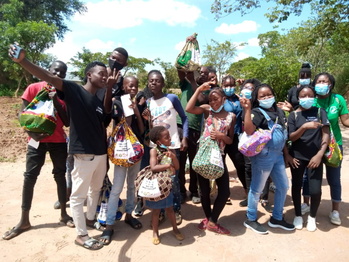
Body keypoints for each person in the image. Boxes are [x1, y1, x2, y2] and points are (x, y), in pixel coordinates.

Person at [8, 44, 120, 250]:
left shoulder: (96, 99)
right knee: (78, 196)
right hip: (84, 154)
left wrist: (110, 89)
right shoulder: (74, 90)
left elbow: (104, 117)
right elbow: (49, 78)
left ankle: (88, 219)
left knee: (95, 189)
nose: (105, 77)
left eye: (107, 74)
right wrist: (23, 60)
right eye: (101, 74)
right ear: (89, 75)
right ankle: (81, 235)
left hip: (100, 153)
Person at [2, 60, 74, 241]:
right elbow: (22, 113)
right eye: (55, 71)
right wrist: (30, 133)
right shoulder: (33, 88)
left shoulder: (64, 94)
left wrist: (56, 100)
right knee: (30, 177)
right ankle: (24, 220)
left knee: (60, 175)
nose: (57, 75)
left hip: (58, 141)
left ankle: (64, 214)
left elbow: (66, 122)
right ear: (47, 70)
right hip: (36, 141)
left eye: (62, 73)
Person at [239, 83, 295, 234]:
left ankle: (277, 218)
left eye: (269, 94)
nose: (266, 98)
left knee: (283, 186)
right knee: (257, 189)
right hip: (264, 155)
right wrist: (247, 109)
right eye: (262, 96)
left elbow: (282, 134)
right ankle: (251, 219)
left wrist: (286, 153)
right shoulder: (256, 112)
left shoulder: (278, 111)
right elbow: (249, 130)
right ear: (257, 99)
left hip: (277, 155)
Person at [99, 76, 144, 245]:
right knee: (117, 187)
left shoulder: (137, 103)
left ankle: (129, 215)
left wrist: (137, 111)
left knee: (132, 185)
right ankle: (109, 225)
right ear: (124, 87)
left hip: (135, 152)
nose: (133, 88)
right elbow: (109, 118)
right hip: (121, 151)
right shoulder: (116, 102)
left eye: (136, 86)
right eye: (130, 86)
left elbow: (140, 129)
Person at [186, 83, 236, 235]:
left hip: (218, 157)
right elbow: (189, 108)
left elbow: (230, 141)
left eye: (216, 99)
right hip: (203, 155)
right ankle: (209, 219)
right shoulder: (207, 111)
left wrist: (222, 136)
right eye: (211, 99)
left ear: (223, 99)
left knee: (225, 191)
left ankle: (213, 220)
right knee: (204, 190)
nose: (213, 102)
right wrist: (199, 90)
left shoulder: (231, 117)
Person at [142, 70, 189, 225]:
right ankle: (160, 211)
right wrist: (147, 119)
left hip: (173, 145)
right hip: (156, 148)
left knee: (173, 180)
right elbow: (151, 128)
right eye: (151, 81)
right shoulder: (148, 102)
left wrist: (185, 138)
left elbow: (184, 117)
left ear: (162, 83)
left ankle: (175, 210)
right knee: (159, 180)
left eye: (157, 80)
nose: (153, 83)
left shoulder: (172, 98)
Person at [287, 85, 330, 231]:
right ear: (298, 98)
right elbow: (291, 137)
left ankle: (312, 217)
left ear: (315, 96)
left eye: (310, 95)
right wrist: (304, 127)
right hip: (297, 157)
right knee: (296, 186)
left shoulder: (320, 111)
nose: (307, 99)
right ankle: (298, 215)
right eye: (303, 96)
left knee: (315, 190)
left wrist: (320, 154)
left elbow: (326, 134)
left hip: (315, 158)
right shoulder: (293, 115)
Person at [312, 72, 349, 225]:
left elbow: (345, 120)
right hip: (314, 145)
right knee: (312, 177)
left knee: (334, 179)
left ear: (331, 84)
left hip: (334, 145)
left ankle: (335, 211)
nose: (321, 84)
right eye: (319, 81)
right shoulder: (310, 100)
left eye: (325, 81)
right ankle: (307, 204)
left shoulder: (337, 99)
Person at [239, 78, 273, 213]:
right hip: (248, 143)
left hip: (261, 144)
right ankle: (250, 197)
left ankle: (264, 198)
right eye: (245, 88)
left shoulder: (260, 107)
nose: (247, 90)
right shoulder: (244, 104)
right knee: (248, 168)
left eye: (251, 88)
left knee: (264, 171)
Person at [146, 126, 184, 245]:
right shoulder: (154, 151)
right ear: (158, 142)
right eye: (166, 137)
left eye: (169, 136)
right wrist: (167, 166)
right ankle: (155, 232)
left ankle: (175, 229)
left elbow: (177, 167)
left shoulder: (171, 150)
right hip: (158, 185)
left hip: (169, 184)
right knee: (156, 211)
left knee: (170, 209)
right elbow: (153, 167)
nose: (169, 138)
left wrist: (173, 157)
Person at [221, 75, 246, 205]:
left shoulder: (238, 98)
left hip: (236, 136)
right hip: (221, 137)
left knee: (240, 165)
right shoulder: (220, 99)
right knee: (222, 167)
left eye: (231, 85)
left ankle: (248, 191)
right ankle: (225, 194)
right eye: (226, 85)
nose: (229, 88)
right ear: (222, 86)